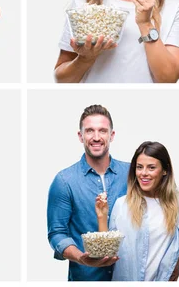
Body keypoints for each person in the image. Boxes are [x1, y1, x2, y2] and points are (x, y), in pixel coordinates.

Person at [47, 105, 129, 281]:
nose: (96, 137)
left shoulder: (131, 174)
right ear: (80, 136)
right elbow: (57, 233)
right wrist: (80, 257)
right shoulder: (64, 181)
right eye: (90, 131)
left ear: (112, 135)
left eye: (103, 131)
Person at [96, 141, 179, 281]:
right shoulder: (122, 205)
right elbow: (106, 254)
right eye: (139, 167)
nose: (143, 173)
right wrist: (102, 216)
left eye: (151, 167)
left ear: (165, 170)